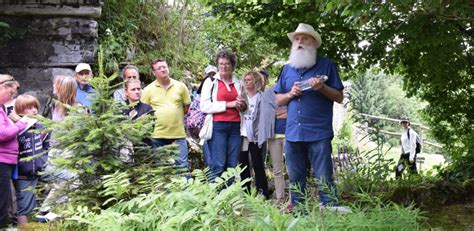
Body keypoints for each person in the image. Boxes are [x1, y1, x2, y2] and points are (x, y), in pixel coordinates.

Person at [275, 23, 350, 213]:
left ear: (314, 42)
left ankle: (331, 213)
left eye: (305, 38)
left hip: (318, 132)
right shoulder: (286, 69)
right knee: (295, 178)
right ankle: (300, 215)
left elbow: (339, 97)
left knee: (324, 176)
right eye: (297, 39)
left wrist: (322, 88)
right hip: (293, 132)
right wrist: (290, 93)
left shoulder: (326, 65)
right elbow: (277, 99)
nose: (299, 41)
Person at [37, 75, 81, 222]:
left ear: (64, 89)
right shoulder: (53, 105)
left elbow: (80, 133)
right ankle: (48, 211)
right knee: (61, 181)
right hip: (55, 149)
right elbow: (49, 124)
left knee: (70, 181)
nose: (54, 88)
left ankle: (48, 211)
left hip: (70, 150)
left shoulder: (78, 109)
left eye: (56, 86)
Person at [200, 49, 247, 181]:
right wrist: (228, 104)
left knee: (232, 166)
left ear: (232, 65)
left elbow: (245, 108)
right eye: (221, 64)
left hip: (236, 127)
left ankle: (229, 199)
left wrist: (242, 105)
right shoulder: (210, 82)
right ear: (217, 65)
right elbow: (204, 106)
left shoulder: (239, 83)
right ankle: (216, 198)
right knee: (218, 165)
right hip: (218, 126)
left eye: (227, 63)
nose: (224, 67)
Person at [141, 59, 191, 173]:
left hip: (178, 134)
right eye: (159, 68)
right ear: (154, 72)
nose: (163, 69)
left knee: (182, 167)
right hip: (157, 136)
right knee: (160, 168)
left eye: (164, 67)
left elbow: (186, 108)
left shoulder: (181, 87)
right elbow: (144, 112)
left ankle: (185, 190)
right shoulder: (148, 90)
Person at [13, 94, 50, 225]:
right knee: (24, 207)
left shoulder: (42, 125)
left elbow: (47, 146)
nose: (34, 110)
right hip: (23, 174)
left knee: (66, 177)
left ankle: (44, 211)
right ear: (20, 109)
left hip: (42, 169)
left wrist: (43, 160)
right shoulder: (15, 127)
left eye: (35, 107)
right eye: (29, 107)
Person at [0, 74, 27, 228]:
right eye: (10, 93)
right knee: (2, 199)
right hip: (1, 160)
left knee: (5, 198)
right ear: (2, 87)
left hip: (6, 160)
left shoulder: (2, 108)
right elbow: (2, 134)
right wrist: (21, 124)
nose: (12, 97)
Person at [258, 70, 288, 205]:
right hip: (273, 135)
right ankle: (280, 198)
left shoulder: (292, 90)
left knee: (293, 169)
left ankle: (294, 199)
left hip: (290, 134)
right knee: (277, 169)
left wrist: (285, 113)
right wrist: (283, 112)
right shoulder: (269, 93)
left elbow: (294, 112)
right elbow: (266, 114)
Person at [238, 71, 269, 199]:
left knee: (258, 164)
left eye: (249, 79)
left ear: (256, 81)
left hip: (256, 136)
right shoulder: (241, 96)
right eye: (245, 79)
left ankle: (262, 191)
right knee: (243, 164)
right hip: (242, 134)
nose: (246, 81)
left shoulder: (262, 97)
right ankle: (246, 191)